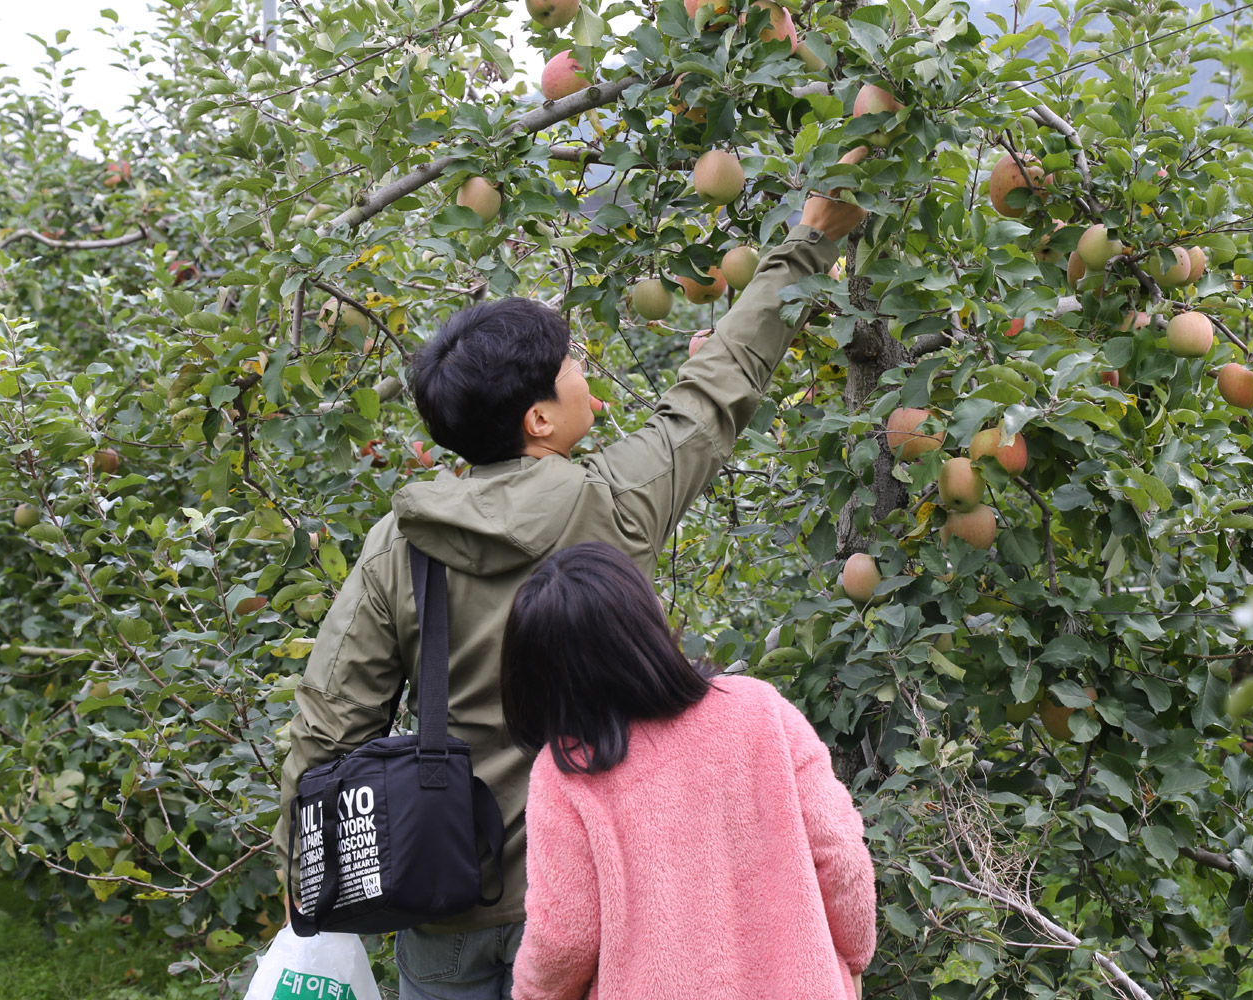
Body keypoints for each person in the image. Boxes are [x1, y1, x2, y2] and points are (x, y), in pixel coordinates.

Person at [272, 148, 871, 1000]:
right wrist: (808, 239)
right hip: (616, 892)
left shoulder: (398, 544)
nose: (584, 370)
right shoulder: (613, 503)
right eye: (572, 363)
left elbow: (330, 727)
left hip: (451, 901)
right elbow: (719, 388)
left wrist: (304, 862)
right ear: (541, 418)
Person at [500, 541, 876, 1000]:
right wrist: (853, 960)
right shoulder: (759, 709)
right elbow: (839, 853)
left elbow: (564, 939)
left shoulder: (566, 774)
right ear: (644, 623)